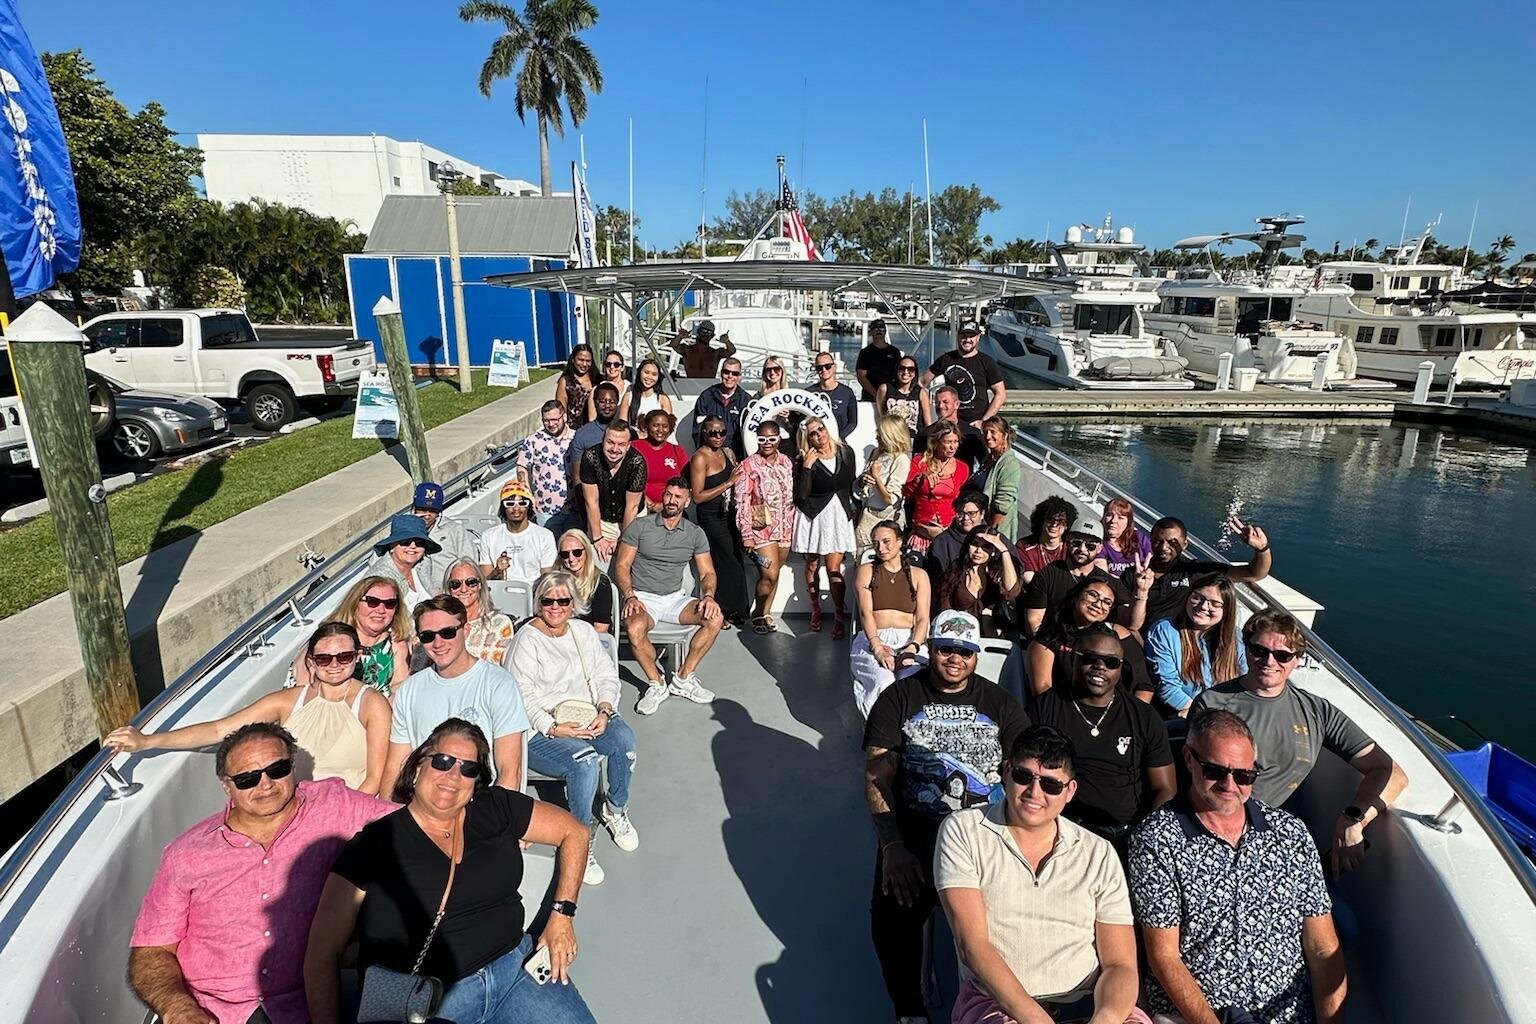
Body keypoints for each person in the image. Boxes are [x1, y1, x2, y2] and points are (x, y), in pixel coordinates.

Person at [306, 720, 596, 1024]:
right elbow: (321, 956)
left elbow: (574, 832)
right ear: (418, 765)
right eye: (443, 761)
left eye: (468, 768)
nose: (454, 776)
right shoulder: (374, 844)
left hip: (514, 972)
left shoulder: (495, 807)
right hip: (426, 999)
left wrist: (562, 916)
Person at [130, 722, 392, 1024]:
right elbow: (151, 950)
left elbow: (415, 824)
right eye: (248, 778)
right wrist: (177, 1008)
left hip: (306, 1003)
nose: (265, 784)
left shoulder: (335, 805)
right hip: (211, 1009)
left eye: (277, 769)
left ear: (292, 765)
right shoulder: (185, 853)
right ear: (226, 786)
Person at [863, 610, 1030, 1024]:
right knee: (892, 919)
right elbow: (877, 775)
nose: (955, 658)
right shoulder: (898, 699)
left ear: (975, 656)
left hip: (985, 839)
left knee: (1012, 922)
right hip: (917, 836)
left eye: (965, 651)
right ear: (931, 650)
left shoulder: (1000, 704)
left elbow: (1025, 774)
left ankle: (1001, 1006)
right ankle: (910, 1009)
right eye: (945, 649)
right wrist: (892, 846)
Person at [1129, 710, 1347, 1024]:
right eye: (1215, 771)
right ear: (1189, 758)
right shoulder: (1156, 839)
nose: (1230, 785)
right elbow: (1164, 956)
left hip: (1287, 1015)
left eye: (1244, 775)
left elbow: (1322, 947)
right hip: (1199, 1015)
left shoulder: (1291, 834)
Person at [936, 725, 1150, 1024]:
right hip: (998, 1004)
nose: (1034, 793)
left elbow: (1120, 965)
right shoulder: (964, 831)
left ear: (1070, 791)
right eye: (1023, 776)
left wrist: (1106, 1018)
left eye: (1051, 785)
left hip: (1089, 1003)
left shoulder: (1098, 852)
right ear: (1006, 771)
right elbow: (972, 946)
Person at [1191, 610, 1408, 873]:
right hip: (1218, 833)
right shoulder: (1213, 704)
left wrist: (1354, 819)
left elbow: (1391, 772)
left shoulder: (1316, 711)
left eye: (1282, 655)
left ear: (1297, 660)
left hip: (1283, 840)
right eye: (1259, 650)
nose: (1269, 661)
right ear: (1246, 649)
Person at [108, 623, 391, 795]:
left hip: (347, 806)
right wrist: (147, 741)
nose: (335, 664)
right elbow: (219, 729)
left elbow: (375, 779)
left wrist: (341, 817)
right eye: (324, 658)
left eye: (344, 656)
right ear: (312, 662)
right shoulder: (288, 701)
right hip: (290, 804)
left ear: (357, 657)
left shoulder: (372, 704)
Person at [507, 571, 638, 886]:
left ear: (573, 603)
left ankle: (614, 809)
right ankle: (579, 838)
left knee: (624, 740)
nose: (555, 607)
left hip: (588, 713)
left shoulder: (582, 632)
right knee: (585, 761)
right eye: (548, 601)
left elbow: (606, 675)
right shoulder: (526, 639)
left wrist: (605, 709)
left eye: (563, 600)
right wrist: (554, 727)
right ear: (538, 603)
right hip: (541, 728)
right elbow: (520, 697)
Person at [1028, 626, 1175, 846]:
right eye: (1090, 658)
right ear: (1074, 658)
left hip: (1125, 831)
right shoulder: (1045, 707)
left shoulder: (1143, 716)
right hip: (1061, 827)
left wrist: (1145, 834)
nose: (1100, 667)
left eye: (1111, 662)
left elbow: (1165, 788)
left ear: (1120, 667)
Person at [381, 595, 530, 796]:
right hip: (423, 803)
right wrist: (387, 812)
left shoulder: (498, 684)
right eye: (427, 636)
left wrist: (493, 813)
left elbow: (510, 773)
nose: (438, 643)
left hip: (480, 802)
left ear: (466, 630)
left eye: (448, 633)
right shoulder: (410, 689)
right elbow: (395, 768)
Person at [615, 477, 723, 715]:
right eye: (668, 495)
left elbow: (707, 572)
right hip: (643, 597)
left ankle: (683, 678)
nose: (671, 501)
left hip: (675, 599)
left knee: (715, 618)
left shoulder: (695, 533)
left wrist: (708, 596)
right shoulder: (640, 526)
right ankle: (657, 683)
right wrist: (629, 596)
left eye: (678, 497)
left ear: (687, 502)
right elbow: (622, 566)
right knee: (634, 628)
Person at [1127, 516, 1273, 632]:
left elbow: (1253, 573)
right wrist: (1141, 590)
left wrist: (1262, 549)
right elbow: (1129, 623)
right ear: (1150, 542)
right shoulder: (1133, 574)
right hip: (1143, 636)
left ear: (1185, 544)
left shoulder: (1196, 571)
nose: (1164, 547)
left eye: (1172, 542)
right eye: (1158, 541)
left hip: (1184, 639)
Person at [851, 521, 931, 717]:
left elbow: (923, 618)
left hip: (910, 639)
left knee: (912, 681)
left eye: (886, 541)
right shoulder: (866, 571)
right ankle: (878, 727)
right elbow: (866, 613)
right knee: (883, 681)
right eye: (876, 543)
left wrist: (913, 647)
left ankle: (910, 727)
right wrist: (878, 648)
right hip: (873, 637)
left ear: (900, 541)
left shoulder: (919, 575)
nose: (881, 548)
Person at [1025, 578, 1152, 697]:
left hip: (1118, 708)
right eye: (1093, 595)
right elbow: (1043, 691)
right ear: (1076, 596)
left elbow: (1144, 686)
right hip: (1064, 708)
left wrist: (1134, 712)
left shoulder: (1118, 634)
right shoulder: (1050, 636)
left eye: (1107, 602)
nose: (1098, 604)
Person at [1021, 517, 1144, 637]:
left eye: (1090, 546)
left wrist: (1142, 591)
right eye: (1077, 543)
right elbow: (1033, 622)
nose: (1082, 549)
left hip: (1093, 644)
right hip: (1053, 641)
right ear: (1067, 541)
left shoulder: (1108, 582)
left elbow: (1132, 625)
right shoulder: (1047, 575)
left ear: (1099, 548)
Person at [1145, 573, 1247, 717]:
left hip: (1228, 715)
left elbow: (1246, 680)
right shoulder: (1164, 631)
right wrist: (1202, 714)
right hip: (1185, 714)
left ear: (1227, 610)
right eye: (1197, 597)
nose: (1203, 606)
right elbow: (1168, 687)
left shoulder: (1236, 637)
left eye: (1215, 604)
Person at [793, 415, 857, 638]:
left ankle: (839, 614)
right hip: (813, 515)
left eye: (821, 428)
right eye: (813, 433)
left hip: (838, 515)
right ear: (808, 438)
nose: (819, 434)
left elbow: (850, 483)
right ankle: (815, 608)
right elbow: (801, 496)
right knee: (812, 565)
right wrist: (807, 467)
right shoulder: (804, 459)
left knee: (833, 568)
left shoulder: (846, 452)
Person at [296, 575, 411, 696]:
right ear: (355, 603)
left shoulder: (396, 642)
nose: (381, 610)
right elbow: (304, 692)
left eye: (390, 603)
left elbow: (399, 687)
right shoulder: (328, 639)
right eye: (372, 602)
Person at [735, 420, 796, 634]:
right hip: (761, 527)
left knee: (775, 573)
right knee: (769, 574)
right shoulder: (748, 465)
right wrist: (746, 534)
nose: (767, 443)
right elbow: (742, 501)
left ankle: (767, 611)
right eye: (762, 439)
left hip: (786, 526)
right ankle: (758, 613)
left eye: (772, 438)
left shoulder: (787, 462)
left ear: (779, 438)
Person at [689, 415, 750, 627]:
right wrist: (728, 483)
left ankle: (736, 609)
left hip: (729, 515)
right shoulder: (700, 458)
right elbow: (697, 496)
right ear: (704, 433)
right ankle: (721, 610)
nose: (718, 436)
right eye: (713, 432)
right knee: (724, 563)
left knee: (735, 561)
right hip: (711, 517)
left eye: (722, 432)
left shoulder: (727, 452)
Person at [933, 525, 1022, 637]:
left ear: (993, 551)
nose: (978, 551)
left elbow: (1011, 591)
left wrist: (1004, 551)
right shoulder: (955, 573)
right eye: (975, 544)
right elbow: (944, 610)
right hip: (959, 634)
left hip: (994, 638)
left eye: (986, 547)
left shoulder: (996, 574)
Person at [579, 419, 648, 561]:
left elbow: (632, 506)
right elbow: (591, 501)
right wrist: (598, 538)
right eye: (610, 442)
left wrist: (624, 540)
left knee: (629, 558)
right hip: (601, 519)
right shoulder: (590, 457)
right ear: (603, 440)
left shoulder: (637, 462)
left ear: (628, 446)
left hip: (632, 518)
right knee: (596, 556)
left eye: (621, 444)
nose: (615, 449)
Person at [919, 319, 1005, 429]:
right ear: (958, 337)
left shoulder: (987, 362)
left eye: (971, 336)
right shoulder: (946, 359)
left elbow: (1000, 394)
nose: (967, 340)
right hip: (951, 424)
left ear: (978, 337)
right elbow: (922, 382)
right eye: (964, 336)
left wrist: (984, 421)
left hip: (975, 425)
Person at [904, 420, 971, 549]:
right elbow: (907, 494)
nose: (953, 447)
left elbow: (961, 500)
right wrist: (919, 479)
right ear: (937, 442)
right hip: (922, 532)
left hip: (948, 531)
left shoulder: (962, 468)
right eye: (948, 442)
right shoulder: (920, 462)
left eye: (956, 442)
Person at [853, 413, 912, 555]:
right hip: (867, 516)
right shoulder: (876, 453)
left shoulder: (901, 460)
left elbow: (890, 499)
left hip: (887, 519)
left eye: (880, 434)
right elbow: (859, 488)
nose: (877, 437)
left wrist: (876, 478)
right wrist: (862, 481)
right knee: (863, 560)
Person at [478, 478, 556, 584]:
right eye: (510, 503)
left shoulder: (545, 536)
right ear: (503, 507)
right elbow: (484, 580)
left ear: (528, 506)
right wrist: (497, 571)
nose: (516, 508)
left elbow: (547, 578)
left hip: (533, 590)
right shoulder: (489, 536)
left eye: (522, 503)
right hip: (501, 589)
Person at [441, 557, 517, 667]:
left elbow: (493, 668)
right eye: (455, 584)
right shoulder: (438, 624)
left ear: (480, 585)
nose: (463, 589)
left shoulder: (498, 624)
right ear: (448, 588)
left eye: (471, 582)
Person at [515, 400, 576, 530]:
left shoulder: (576, 438)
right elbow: (522, 466)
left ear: (564, 417)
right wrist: (528, 494)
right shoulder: (534, 440)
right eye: (546, 421)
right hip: (545, 511)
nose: (551, 424)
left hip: (574, 510)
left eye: (554, 419)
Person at [367, 512, 441, 611]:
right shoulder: (380, 578)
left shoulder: (423, 565)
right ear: (391, 547)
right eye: (405, 542)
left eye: (419, 543)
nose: (413, 546)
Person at [410, 480, 477, 584]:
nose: (427, 515)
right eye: (422, 509)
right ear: (414, 508)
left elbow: (470, 566)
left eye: (433, 510)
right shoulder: (403, 531)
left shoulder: (455, 531)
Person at [565, 381, 631, 482]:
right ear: (595, 403)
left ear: (617, 403)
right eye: (602, 401)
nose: (607, 405)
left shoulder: (628, 433)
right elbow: (577, 477)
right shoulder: (583, 434)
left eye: (612, 402)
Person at [557, 529, 616, 633]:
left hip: (590, 636)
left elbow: (601, 627)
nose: (571, 559)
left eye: (577, 552)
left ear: (587, 551)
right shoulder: (555, 581)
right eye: (565, 554)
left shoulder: (600, 582)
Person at [973, 416, 1021, 542]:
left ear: (1004, 435)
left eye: (993, 432)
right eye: (985, 432)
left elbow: (1003, 505)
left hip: (993, 532)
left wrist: (990, 534)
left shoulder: (1009, 464)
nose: (988, 436)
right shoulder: (989, 459)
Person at [924, 490, 988, 581]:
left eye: (971, 514)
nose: (966, 518)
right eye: (960, 513)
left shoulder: (994, 539)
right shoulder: (943, 541)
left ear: (982, 514)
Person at [916, 384, 985, 467]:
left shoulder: (972, 434)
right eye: (938, 403)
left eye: (945, 402)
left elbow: (984, 462)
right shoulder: (926, 434)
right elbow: (918, 462)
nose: (940, 406)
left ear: (957, 404)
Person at [692, 356, 752, 451]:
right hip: (710, 453)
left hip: (736, 454)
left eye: (735, 373)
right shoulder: (706, 396)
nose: (730, 376)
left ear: (740, 377)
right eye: (726, 372)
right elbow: (697, 431)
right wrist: (705, 452)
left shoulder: (746, 400)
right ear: (721, 373)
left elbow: (750, 433)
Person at [634, 409, 689, 513]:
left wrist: (665, 505)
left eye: (665, 426)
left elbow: (686, 484)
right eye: (655, 425)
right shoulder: (635, 447)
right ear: (646, 426)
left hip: (672, 508)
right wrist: (648, 503)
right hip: (639, 508)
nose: (660, 430)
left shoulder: (677, 451)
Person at [1016, 496, 1075, 583]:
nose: (1054, 525)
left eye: (1060, 521)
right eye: (1050, 519)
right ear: (1042, 520)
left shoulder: (1070, 549)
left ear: (1067, 526)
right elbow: (1029, 579)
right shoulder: (1024, 546)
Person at [810, 350, 860, 440]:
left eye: (827, 366)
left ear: (834, 367)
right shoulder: (809, 392)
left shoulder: (847, 392)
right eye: (819, 367)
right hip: (816, 441)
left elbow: (852, 422)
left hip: (838, 440)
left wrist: (837, 438)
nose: (824, 370)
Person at [855, 318, 903, 402]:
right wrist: (876, 394)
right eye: (875, 328)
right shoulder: (865, 352)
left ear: (885, 331)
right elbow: (861, 376)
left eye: (881, 328)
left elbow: (900, 373)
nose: (878, 330)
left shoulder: (894, 352)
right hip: (870, 396)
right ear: (871, 331)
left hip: (891, 395)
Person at [670, 318, 736, 378]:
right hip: (691, 385)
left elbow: (731, 351)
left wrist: (727, 341)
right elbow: (673, 345)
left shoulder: (715, 353)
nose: (705, 335)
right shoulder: (687, 350)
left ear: (712, 336)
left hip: (709, 386)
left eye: (709, 333)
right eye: (703, 331)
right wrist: (680, 336)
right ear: (698, 332)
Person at [619, 356, 674, 428]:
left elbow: (667, 426)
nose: (649, 377)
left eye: (654, 374)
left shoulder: (663, 399)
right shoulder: (629, 396)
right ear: (640, 372)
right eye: (646, 372)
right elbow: (622, 425)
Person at [875, 355, 922, 435]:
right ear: (897, 370)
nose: (905, 372)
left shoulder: (921, 392)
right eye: (902, 368)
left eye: (910, 369)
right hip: (891, 437)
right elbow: (881, 416)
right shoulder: (884, 389)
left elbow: (928, 423)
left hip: (912, 438)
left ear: (915, 373)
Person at [1100, 498, 1151, 572]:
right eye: (1109, 515)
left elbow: (1153, 559)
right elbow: (1101, 573)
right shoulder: (1098, 542)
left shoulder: (1139, 538)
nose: (1113, 520)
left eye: (1120, 518)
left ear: (1128, 523)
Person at [554, 343, 598, 428]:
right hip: (573, 429)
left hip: (595, 428)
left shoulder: (598, 379)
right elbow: (561, 410)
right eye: (581, 360)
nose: (584, 364)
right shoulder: (565, 382)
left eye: (588, 361)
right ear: (573, 360)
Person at [585, 348, 629, 422]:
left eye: (616, 364)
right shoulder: (596, 390)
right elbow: (592, 419)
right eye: (608, 364)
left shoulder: (630, 388)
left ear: (622, 367)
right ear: (605, 367)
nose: (612, 367)